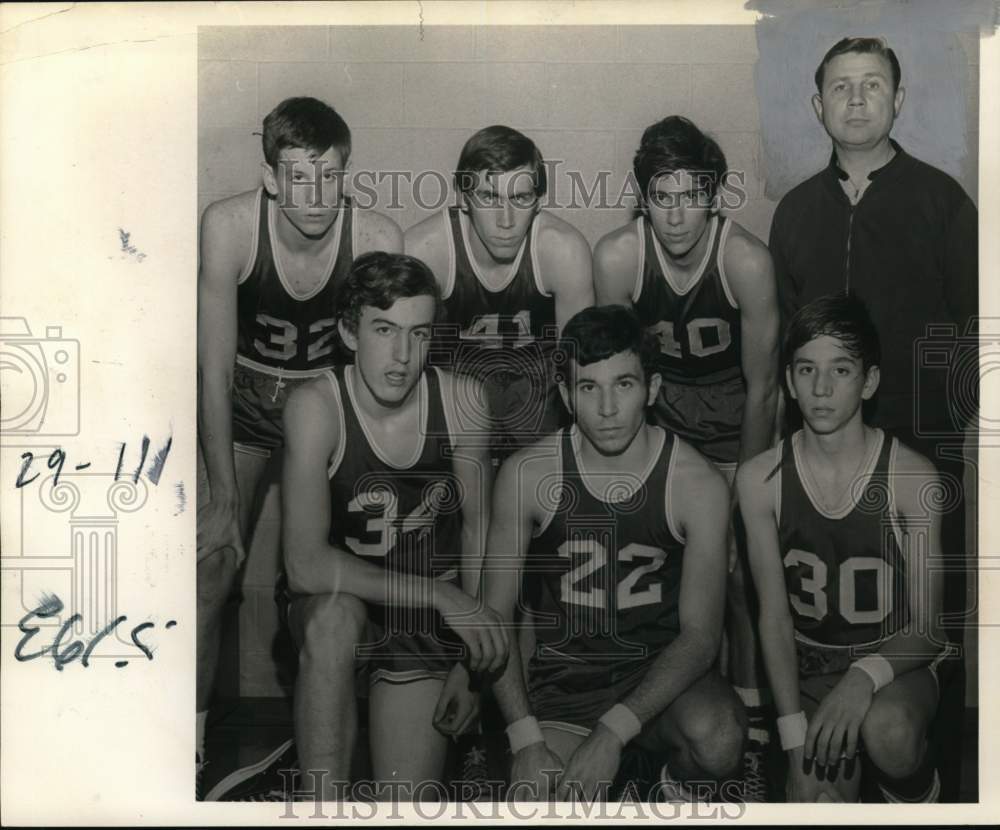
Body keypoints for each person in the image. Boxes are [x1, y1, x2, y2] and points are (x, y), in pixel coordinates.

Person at [768, 37, 977, 797]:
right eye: (841, 87)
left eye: (874, 85)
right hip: (826, 459)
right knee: (829, 620)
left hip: (925, 452)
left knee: (919, 640)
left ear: (898, 100)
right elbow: (783, 357)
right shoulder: (794, 212)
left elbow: (979, 335)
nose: (856, 99)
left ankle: (921, 779)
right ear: (816, 104)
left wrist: (960, 448)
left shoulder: (944, 201)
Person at [196, 96, 402, 797]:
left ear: (346, 173)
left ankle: (350, 735)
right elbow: (214, 369)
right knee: (210, 561)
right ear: (270, 178)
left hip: (325, 413)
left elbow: (380, 370)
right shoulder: (228, 226)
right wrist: (223, 495)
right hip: (248, 405)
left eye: (329, 175)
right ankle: (190, 745)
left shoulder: (374, 233)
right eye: (297, 176)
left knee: (336, 582)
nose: (314, 194)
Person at [484, 305, 744, 802]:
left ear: (653, 389)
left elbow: (701, 637)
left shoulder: (697, 484)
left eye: (623, 385)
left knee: (720, 737)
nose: (606, 408)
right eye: (588, 387)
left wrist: (613, 731)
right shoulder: (527, 475)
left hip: (661, 682)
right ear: (565, 395)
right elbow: (494, 618)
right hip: (566, 686)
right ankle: (622, 772)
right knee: (535, 802)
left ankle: (663, 780)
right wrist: (524, 737)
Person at [277, 251, 506, 801]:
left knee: (405, 804)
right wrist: (437, 594)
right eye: (385, 330)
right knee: (332, 619)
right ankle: (321, 797)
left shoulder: (462, 401)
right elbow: (304, 565)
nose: (403, 356)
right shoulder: (315, 407)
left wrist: (470, 665)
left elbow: (480, 535)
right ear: (349, 332)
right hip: (351, 603)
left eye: (419, 334)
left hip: (426, 623)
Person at [593, 115, 780, 784]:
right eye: (662, 195)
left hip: (737, 433)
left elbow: (763, 392)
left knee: (737, 574)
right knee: (650, 565)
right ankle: (647, 719)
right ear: (643, 196)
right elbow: (612, 377)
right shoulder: (618, 257)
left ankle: (750, 728)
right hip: (665, 432)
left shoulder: (746, 260)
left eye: (691, 194)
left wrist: (741, 500)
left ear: (714, 195)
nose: (676, 213)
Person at [738, 294, 948, 803]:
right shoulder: (758, 480)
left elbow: (930, 628)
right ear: (788, 381)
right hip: (807, 665)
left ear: (869, 381)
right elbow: (773, 619)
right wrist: (792, 738)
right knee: (818, 801)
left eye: (841, 369)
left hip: (894, 661)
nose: (822, 388)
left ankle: (921, 796)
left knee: (890, 733)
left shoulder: (911, 477)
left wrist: (864, 676)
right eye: (806, 369)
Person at [405, 125, 594, 463]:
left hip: (538, 399)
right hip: (455, 397)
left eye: (520, 198)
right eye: (489, 198)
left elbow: (582, 365)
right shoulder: (427, 250)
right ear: (463, 198)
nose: (506, 220)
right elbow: (403, 358)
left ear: (538, 200)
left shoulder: (562, 250)